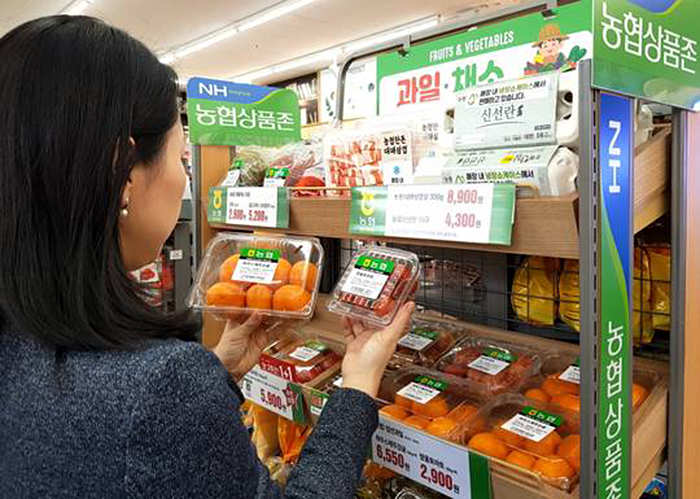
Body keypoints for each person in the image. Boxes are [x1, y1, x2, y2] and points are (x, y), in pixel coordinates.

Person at [0, 16, 415, 499]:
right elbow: (144, 424)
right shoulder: (161, 386)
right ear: (124, 171)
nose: (184, 178)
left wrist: (215, 373)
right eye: (181, 157)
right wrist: (358, 384)